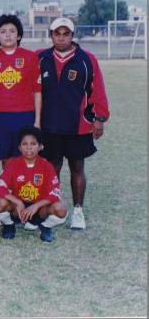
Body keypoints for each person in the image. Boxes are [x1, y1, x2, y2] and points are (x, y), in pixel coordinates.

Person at [38, 17, 110, 229]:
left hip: (78, 124)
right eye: (57, 33)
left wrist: (99, 118)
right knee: (52, 169)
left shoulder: (87, 59)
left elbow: (98, 89)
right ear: (50, 35)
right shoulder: (40, 58)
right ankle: (54, 208)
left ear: (72, 35)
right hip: (49, 124)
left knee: (77, 167)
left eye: (65, 33)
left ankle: (78, 210)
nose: (61, 38)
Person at [0, 14, 41, 168]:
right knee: (6, 161)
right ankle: (8, 191)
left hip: (24, 116)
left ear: (19, 35)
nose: (7, 35)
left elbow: (37, 91)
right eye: (3, 31)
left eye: (12, 31)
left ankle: (24, 191)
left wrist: (37, 121)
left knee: (26, 158)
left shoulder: (30, 57)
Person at [0, 126, 68, 243]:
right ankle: (9, 225)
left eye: (33, 144)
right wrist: (17, 202)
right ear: (19, 147)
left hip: (39, 209)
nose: (29, 148)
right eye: (24, 144)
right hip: (19, 209)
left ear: (40, 146)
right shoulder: (12, 164)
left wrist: (36, 206)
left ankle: (45, 226)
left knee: (61, 208)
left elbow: (55, 193)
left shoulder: (46, 166)